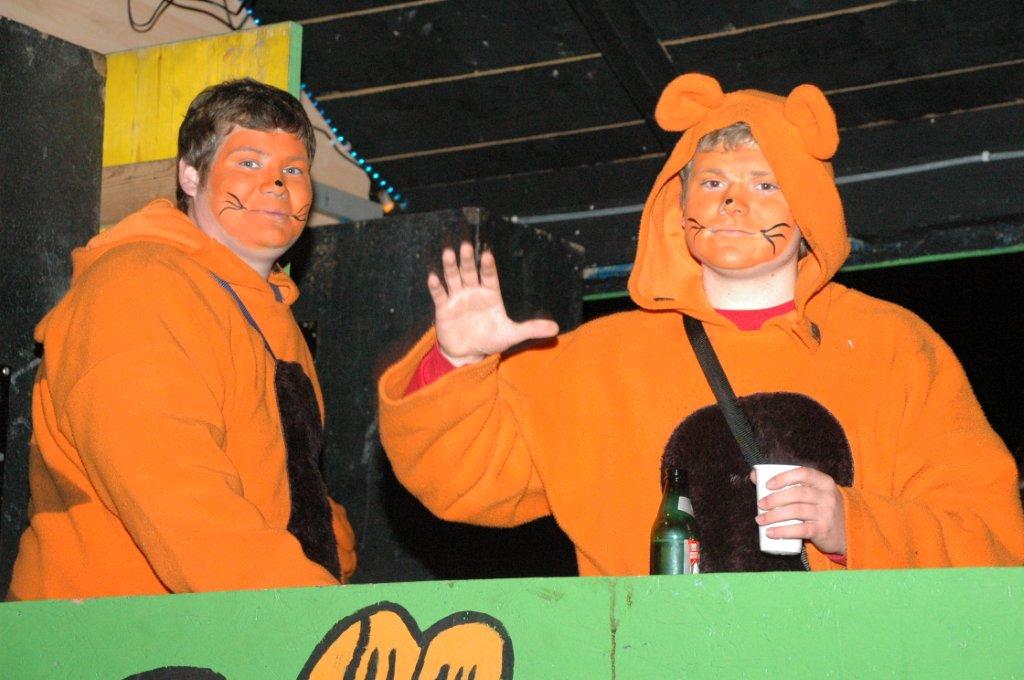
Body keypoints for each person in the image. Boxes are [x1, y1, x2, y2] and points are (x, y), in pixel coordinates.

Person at [377, 73, 1024, 574]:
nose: (734, 203)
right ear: (677, 201)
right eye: (712, 183)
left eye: (766, 185)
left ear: (809, 210)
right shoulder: (596, 360)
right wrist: (456, 363)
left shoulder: (894, 347)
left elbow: (994, 540)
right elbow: (461, 484)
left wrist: (853, 526)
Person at [7, 78, 356, 601]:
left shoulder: (274, 317)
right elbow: (173, 493)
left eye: (293, 170)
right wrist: (315, 610)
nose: (276, 185)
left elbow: (294, 484)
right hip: (114, 630)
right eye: (249, 162)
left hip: (243, 619)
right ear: (190, 176)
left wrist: (336, 565)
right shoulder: (138, 285)